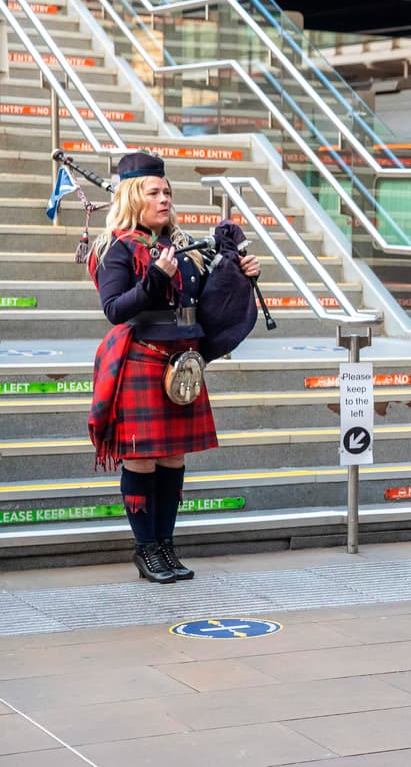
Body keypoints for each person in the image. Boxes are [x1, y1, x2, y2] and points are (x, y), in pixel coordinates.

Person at [87, 152, 260, 584]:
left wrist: (240, 274)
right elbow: (114, 309)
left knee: (173, 457)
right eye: (154, 193)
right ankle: (146, 549)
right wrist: (154, 280)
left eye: (167, 192)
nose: (164, 199)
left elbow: (205, 299)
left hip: (182, 364)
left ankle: (165, 545)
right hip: (142, 359)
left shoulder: (182, 246)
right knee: (142, 458)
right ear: (133, 197)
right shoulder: (115, 248)